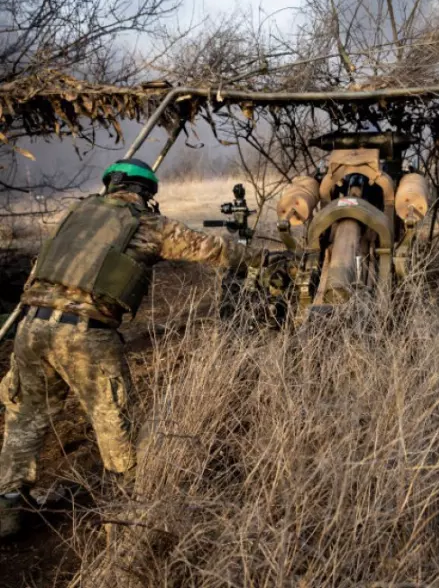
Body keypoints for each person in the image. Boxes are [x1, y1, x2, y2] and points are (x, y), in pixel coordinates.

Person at [0, 159, 263, 538]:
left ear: (111, 185)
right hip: (85, 333)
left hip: (32, 327)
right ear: (145, 193)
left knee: (24, 419)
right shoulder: (147, 223)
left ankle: (8, 510)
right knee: (115, 427)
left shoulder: (76, 214)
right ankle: (123, 520)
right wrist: (260, 259)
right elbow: (211, 250)